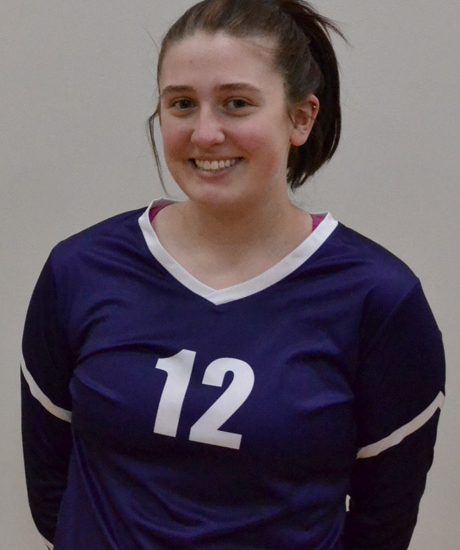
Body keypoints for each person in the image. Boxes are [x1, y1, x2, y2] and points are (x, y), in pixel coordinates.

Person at [21, 1, 445, 548]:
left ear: (301, 117)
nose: (204, 133)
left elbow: (382, 522)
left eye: (236, 104)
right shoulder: (80, 270)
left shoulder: (380, 300)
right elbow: (50, 486)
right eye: (181, 104)